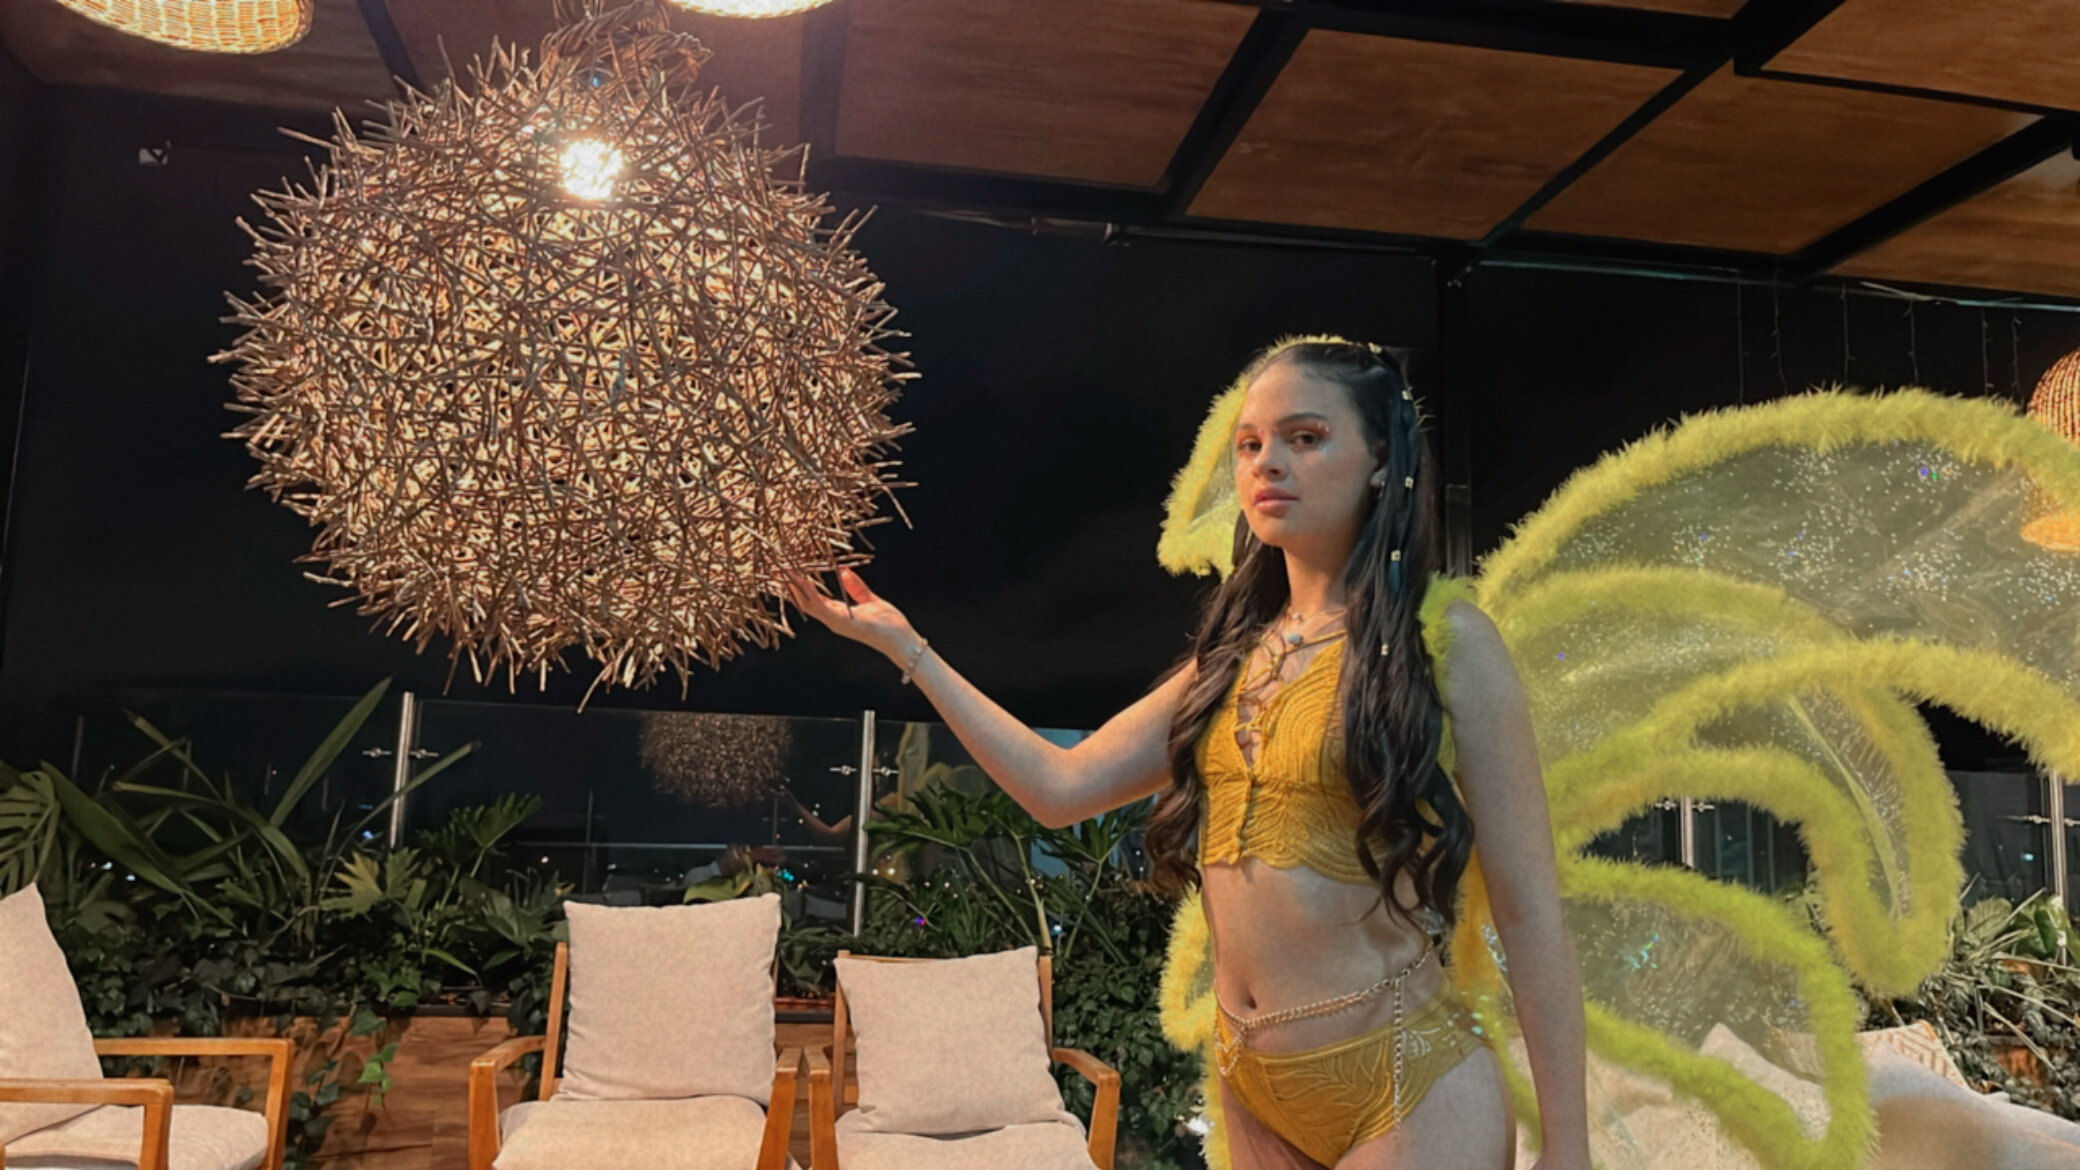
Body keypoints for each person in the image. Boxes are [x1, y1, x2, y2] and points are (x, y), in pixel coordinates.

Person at [787, 338, 1588, 1170]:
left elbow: (1529, 908)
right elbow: (1060, 787)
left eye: (1306, 437)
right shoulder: (1232, 661)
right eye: (1250, 443)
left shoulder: (1446, 642)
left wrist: (1569, 1148)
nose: (1267, 462)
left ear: (1382, 459)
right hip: (1253, 1084)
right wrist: (908, 649)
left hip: (1406, 1081)